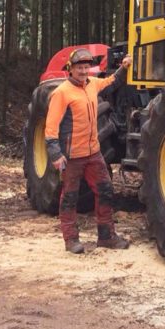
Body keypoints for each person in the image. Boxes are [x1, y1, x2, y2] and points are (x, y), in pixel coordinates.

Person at [45, 47, 133, 254]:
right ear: (71, 69)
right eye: (79, 68)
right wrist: (56, 154)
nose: (83, 71)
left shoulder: (92, 84)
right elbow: (51, 127)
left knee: (105, 190)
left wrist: (124, 67)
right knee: (70, 197)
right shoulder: (61, 93)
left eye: (86, 67)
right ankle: (71, 240)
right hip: (72, 156)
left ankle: (107, 236)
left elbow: (112, 82)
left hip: (93, 153)